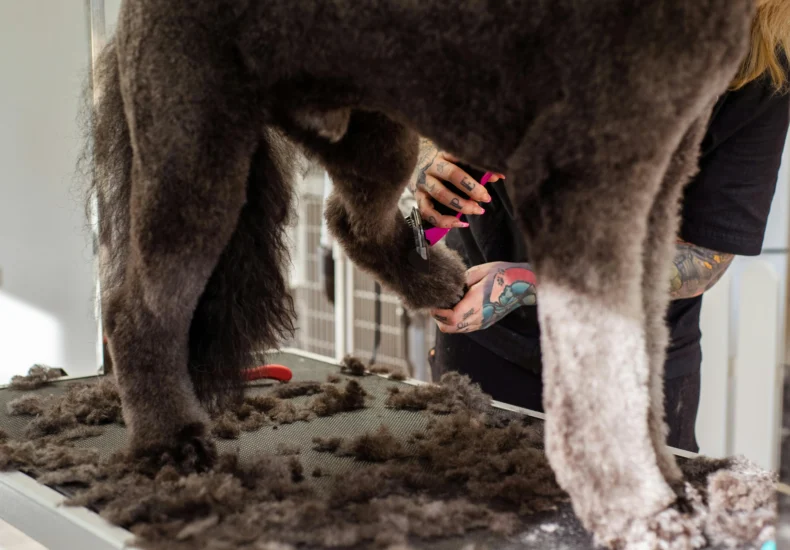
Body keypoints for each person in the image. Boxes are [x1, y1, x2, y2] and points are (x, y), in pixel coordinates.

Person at [411, 1, 790, 452]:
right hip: (484, 345)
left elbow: (704, 257)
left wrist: (524, 282)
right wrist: (427, 163)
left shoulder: (759, 63)